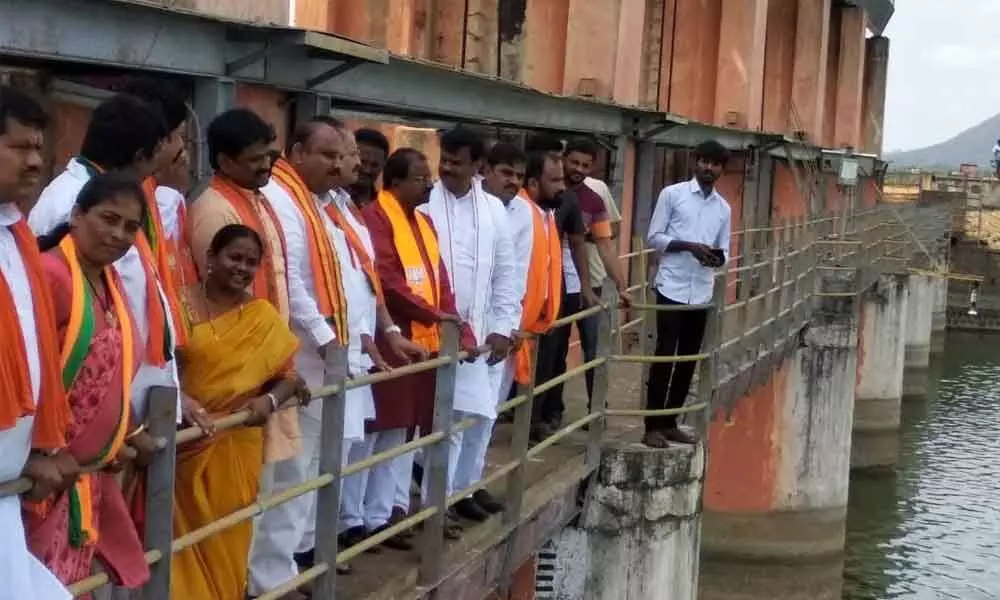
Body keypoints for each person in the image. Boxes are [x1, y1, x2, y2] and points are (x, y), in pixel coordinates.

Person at [27, 173, 161, 593]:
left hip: (87, 476)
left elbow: (106, 374)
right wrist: (46, 451)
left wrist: (125, 433)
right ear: (76, 215)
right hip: (43, 481)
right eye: (108, 219)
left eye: (130, 227)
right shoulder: (53, 276)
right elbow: (30, 378)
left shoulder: (106, 279)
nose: (119, 235)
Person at [170, 224, 307, 600]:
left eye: (251, 262)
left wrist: (270, 401)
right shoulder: (177, 305)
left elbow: (289, 377)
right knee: (178, 545)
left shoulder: (261, 315)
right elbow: (159, 369)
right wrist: (182, 400)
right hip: (185, 444)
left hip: (236, 444)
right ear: (210, 258)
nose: (242, 268)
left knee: (228, 538)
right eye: (234, 257)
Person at [28, 95, 183, 425]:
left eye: (128, 227)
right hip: (81, 417)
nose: (118, 235)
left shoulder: (107, 197)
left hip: (123, 398)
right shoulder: (77, 200)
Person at [362, 148, 477, 539]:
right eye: (419, 178)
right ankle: (362, 520)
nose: (429, 184)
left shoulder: (423, 223)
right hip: (393, 336)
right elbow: (388, 281)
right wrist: (435, 317)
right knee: (380, 432)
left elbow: (439, 279)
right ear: (394, 182)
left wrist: (453, 322)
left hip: (423, 341)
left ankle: (390, 511)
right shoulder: (377, 218)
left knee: (407, 432)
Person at [186, 108, 299, 464]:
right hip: (231, 397)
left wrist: (279, 377)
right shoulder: (215, 209)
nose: (266, 165)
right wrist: (265, 379)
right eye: (255, 159)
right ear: (225, 161)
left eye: (268, 155)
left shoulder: (256, 199)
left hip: (262, 382)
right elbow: (223, 296)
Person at [0, 84, 76, 600]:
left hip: (9, 480)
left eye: (38, 149)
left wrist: (40, 446)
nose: (36, 162)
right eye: (20, 147)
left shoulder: (16, 233)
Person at [420, 127, 518, 522]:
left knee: (472, 417)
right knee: (439, 427)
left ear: (478, 166)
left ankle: (455, 496)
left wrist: (502, 327)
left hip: (478, 337)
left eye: (456, 163)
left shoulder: (493, 210)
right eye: (444, 160)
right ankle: (432, 507)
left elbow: (505, 275)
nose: (446, 168)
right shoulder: (425, 203)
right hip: (432, 334)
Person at [644, 140, 731, 448]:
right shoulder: (673, 195)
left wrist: (713, 258)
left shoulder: (723, 209)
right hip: (672, 286)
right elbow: (654, 237)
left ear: (722, 169)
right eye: (704, 161)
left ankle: (671, 423)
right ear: (695, 162)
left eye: (715, 163)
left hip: (702, 290)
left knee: (688, 360)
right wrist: (688, 247)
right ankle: (651, 426)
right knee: (665, 356)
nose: (709, 167)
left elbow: (726, 253)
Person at [521, 134, 591, 441]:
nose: (563, 182)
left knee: (551, 359)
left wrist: (587, 287)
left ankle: (540, 417)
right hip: (517, 306)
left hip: (551, 297)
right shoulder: (515, 208)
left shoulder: (562, 204)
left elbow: (577, 243)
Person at [561, 138, 632, 405]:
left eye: (585, 165)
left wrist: (622, 286)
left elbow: (606, 243)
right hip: (555, 284)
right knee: (553, 350)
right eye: (574, 162)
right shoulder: (548, 190)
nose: (579, 169)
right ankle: (544, 415)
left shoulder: (595, 195)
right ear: (563, 158)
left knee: (595, 348)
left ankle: (597, 407)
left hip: (592, 282)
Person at [481, 143, 532, 407]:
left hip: (501, 322)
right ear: (486, 170)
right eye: (506, 173)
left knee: (490, 407)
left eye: (519, 176)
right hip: (460, 321)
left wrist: (510, 324)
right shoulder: (469, 204)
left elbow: (517, 274)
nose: (513, 181)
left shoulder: (523, 212)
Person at [350, 127, 390, 207]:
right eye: (362, 162)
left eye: (374, 165)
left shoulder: (385, 206)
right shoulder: (329, 199)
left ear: (383, 166)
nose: (367, 170)